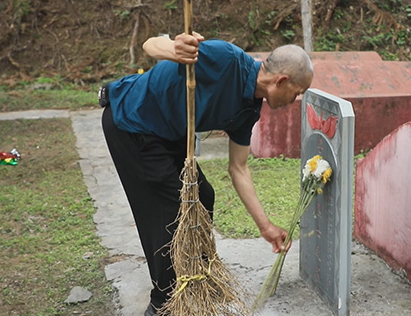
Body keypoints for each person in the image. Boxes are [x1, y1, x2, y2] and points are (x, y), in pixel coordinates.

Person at [100, 32, 314, 315]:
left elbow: (238, 168)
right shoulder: (225, 58)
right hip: (132, 121)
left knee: (203, 195)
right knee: (172, 211)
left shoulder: (248, 110)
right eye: (298, 93)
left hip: (169, 133)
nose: (295, 100)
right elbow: (150, 44)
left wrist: (266, 227)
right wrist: (176, 49)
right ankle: (163, 302)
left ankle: (195, 278)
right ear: (282, 81)